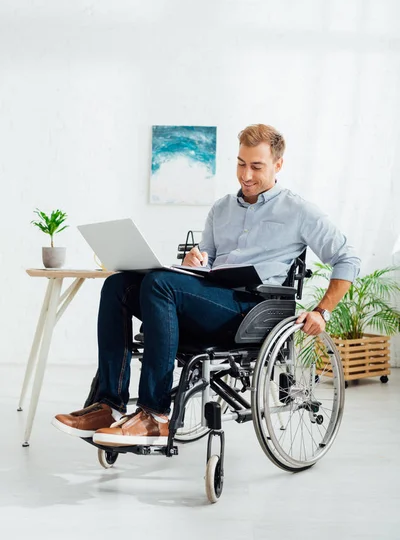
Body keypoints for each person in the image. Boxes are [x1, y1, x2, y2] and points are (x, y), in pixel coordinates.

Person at [53, 124, 360, 447]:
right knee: (118, 285)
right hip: (211, 298)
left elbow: (347, 258)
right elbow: (209, 263)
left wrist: (322, 311)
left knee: (160, 284)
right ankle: (109, 405)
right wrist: (196, 262)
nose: (246, 175)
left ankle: (155, 416)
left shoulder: (299, 211)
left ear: (278, 165)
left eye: (257, 166)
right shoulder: (221, 209)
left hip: (251, 311)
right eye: (241, 163)